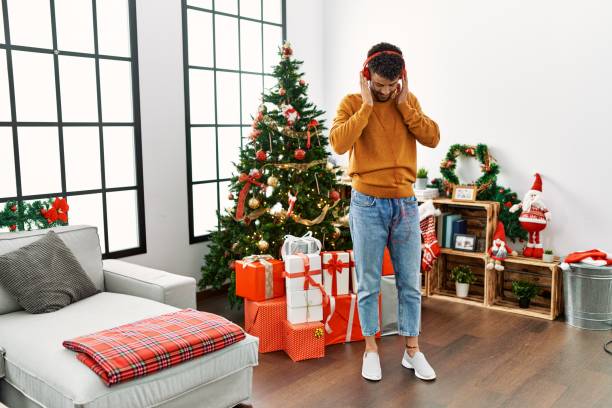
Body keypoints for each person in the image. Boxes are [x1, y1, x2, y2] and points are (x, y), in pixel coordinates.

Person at [329, 42, 440, 381]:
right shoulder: (352, 103)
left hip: (405, 204)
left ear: (401, 79)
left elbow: (433, 138)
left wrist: (406, 106)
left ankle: (412, 351)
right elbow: (338, 143)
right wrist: (366, 105)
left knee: (409, 281)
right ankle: (371, 350)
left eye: (391, 86)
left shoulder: (407, 102)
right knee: (369, 282)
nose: (385, 91)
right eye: (378, 85)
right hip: (366, 203)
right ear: (367, 77)